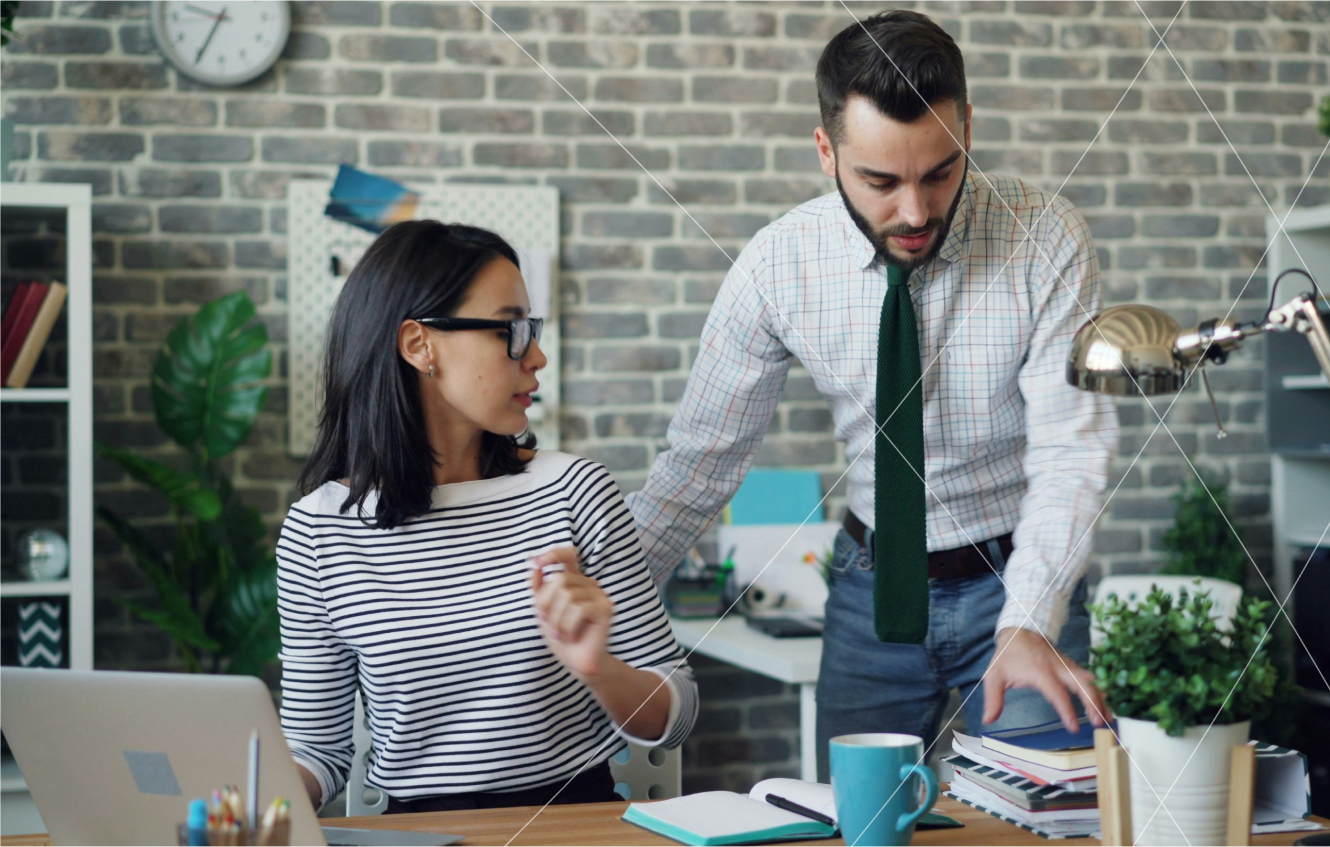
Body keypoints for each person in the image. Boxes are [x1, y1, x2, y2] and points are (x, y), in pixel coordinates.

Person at [627, 10, 1116, 778]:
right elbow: (698, 464)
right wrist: (609, 602)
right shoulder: (776, 267)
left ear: (966, 129)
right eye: (880, 181)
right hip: (869, 590)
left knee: (1046, 818)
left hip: (1017, 581)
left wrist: (1029, 618)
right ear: (827, 152)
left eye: (940, 172)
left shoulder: (1044, 237)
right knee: (860, 827)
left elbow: (1070, 447)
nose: (915, 212)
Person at [278, 221, 697, 813]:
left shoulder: (574, 491)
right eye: (513, 331)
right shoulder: (318, 530)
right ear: (419, 344)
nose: (538, 356)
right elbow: (316, 751)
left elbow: (675, 714)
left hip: (572, 827)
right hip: (421, 835)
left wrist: (600, 670)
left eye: (533, 329)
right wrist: (254, 800)